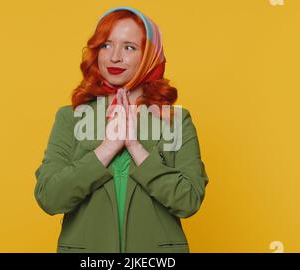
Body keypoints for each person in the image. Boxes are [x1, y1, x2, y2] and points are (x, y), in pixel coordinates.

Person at [34, 6, 209, 253]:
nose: (114, 57)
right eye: (106, 45)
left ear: (149, 55)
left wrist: (135, 147)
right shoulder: (70, 117)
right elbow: (50, 198)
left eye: (129, 47)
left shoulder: (175, 120)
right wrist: (106, 149)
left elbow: (188, 200)